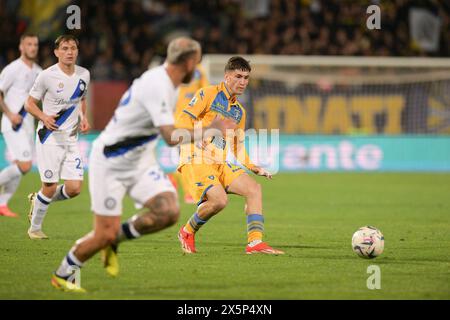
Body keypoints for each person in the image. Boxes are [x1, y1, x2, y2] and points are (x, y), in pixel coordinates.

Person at [51, 37, 234, 293]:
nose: (198, 68)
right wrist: (209, 130)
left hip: (140, 162)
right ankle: (63, 273)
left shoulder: (169, 83)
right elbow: (170, 137)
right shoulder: (157, 84)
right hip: (111, 162)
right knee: (102, 233)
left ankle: (115, 238)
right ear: (190, 62)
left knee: (168, 211)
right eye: (198, 62)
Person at [176, 56, 284, 255]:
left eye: (246, 77)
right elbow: (183, 118)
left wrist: (254, 167)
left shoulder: (239, 112)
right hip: (196, 158)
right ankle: (187, 231)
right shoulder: (207, 94)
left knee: (254, 189)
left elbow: (237, 146)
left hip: (219, 161)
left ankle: (255, 243)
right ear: (227, 77)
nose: (243, 82)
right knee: (219, 201)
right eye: (238, 76)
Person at [25, 34, 90, 239]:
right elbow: (29, 104)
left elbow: (81, 98)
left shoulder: (84, 74)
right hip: (49, 137)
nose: (69, 52)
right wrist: (43, 117)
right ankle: (34, 228)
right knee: (50, 187)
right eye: (64, 48)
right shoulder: (46, 75)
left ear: (77, 51)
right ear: (56, 52)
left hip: (71, 138)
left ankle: (39, 199)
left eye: (73, 48)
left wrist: (84, 117)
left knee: (74, 188)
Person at [0, 33, 41, 218]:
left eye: (35, 44)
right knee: (25, 166)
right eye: (29, 44)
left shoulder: (39, 72)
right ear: (21, 47)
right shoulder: (13, 69)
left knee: (20, 167)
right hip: (12, 123)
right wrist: (9, 114)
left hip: (28, 125)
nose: (33, 47)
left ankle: (2, 205)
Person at [172, 64, 209, 204]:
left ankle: (173, 179)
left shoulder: (196, 70)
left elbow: (205, 91)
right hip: (181, 122)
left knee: (191, 158)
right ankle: (189, 193)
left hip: (189, 121)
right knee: (187, 159)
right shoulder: (196, 70)